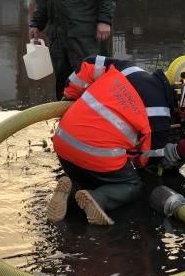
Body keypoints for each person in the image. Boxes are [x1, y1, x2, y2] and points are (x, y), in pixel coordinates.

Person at [47, 55, 175, 225]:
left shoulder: (130, 69)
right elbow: (147, 161)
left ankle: (71, 191)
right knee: (132, 184)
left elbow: (88, 65)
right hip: (97, 156)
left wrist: (70, 96)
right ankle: (98, 199)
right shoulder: (161, 116)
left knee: (88, 176)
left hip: (63, 140)